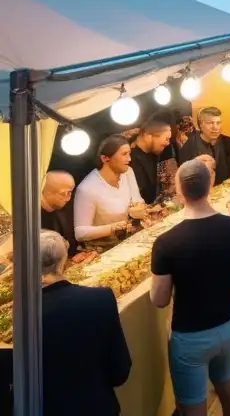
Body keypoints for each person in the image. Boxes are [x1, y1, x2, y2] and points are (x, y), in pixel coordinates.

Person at [150, 160, 230, 416]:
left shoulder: (166, 243)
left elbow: (159, 299)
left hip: (190, 334)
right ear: (210, 184)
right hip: (229, 323)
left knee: (192, 404)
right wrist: (226, 293)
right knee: (229, 386)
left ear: (179, 190)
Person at [0, 230, 131, 415]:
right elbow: (120, 369)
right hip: (96, 406)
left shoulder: (19, 315)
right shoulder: (101, 299)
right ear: (64, 260)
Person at [73, 135, 147, 247]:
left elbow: (137, 200)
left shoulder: (128, 172)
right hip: (102, 249)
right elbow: (80, 233)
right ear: (105, 158)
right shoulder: (86, 189)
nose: (129, 159)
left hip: (129, 240)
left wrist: (139, 208)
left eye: (129, 154)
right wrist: (112, 228)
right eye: (124, 154)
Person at [0, 171, 78, 262]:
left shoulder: (60, 208)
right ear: (46, 192)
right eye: (64, 193)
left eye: (70, 192)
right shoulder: (27, 215)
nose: (68, 198)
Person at [178, 106, 230, 185]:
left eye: (218, 123)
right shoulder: (188, 148)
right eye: (209, 123)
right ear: (200, 124)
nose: (215, 127)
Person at [130, 118, 174, 204]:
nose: (168, 143)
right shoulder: (130, 159)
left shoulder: (157, 154)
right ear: (148, 136)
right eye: (166, 138)